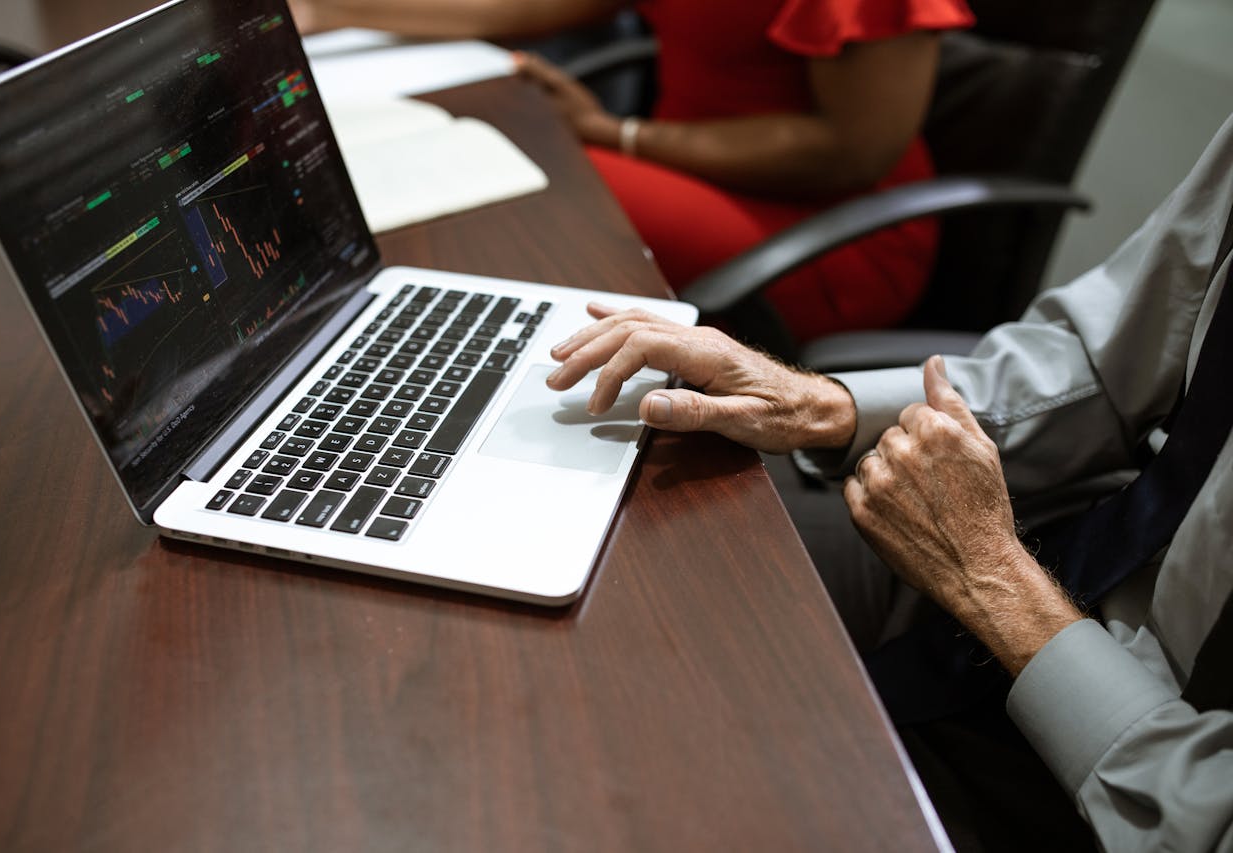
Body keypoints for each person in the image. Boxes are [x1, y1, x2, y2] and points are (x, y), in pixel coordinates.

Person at [544, 113, 1233, 851]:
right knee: (621, 560)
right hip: (1076, 552)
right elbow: (1104, 361)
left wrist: (994, 582)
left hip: (1116, 775)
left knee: (653, 787)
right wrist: (823, 405)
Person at [288, 0, 975, 343]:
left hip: (830, 231)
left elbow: (852, 151)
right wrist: (324, 9)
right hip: (695, 173)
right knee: (469, 165)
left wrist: (619, 133)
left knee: (492, 181)